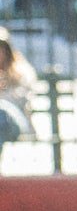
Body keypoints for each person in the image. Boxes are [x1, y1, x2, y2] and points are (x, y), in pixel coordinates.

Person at [0, 27, 38, 159]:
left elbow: (21, 99)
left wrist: (3, 90)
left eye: (1, 48)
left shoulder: (21, 71)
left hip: (14, 121)